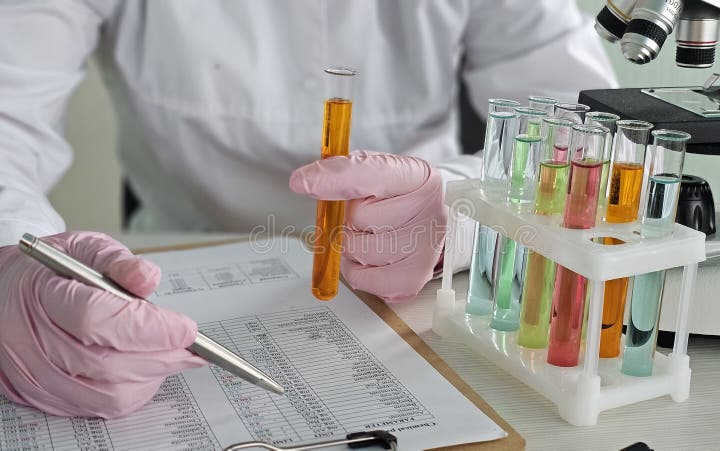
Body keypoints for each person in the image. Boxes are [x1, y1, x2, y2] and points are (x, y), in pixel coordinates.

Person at [0, 0, 616, 418]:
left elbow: (583, 126)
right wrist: (8, 256)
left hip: (418, 284)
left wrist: (456, 209)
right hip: (170, 272)